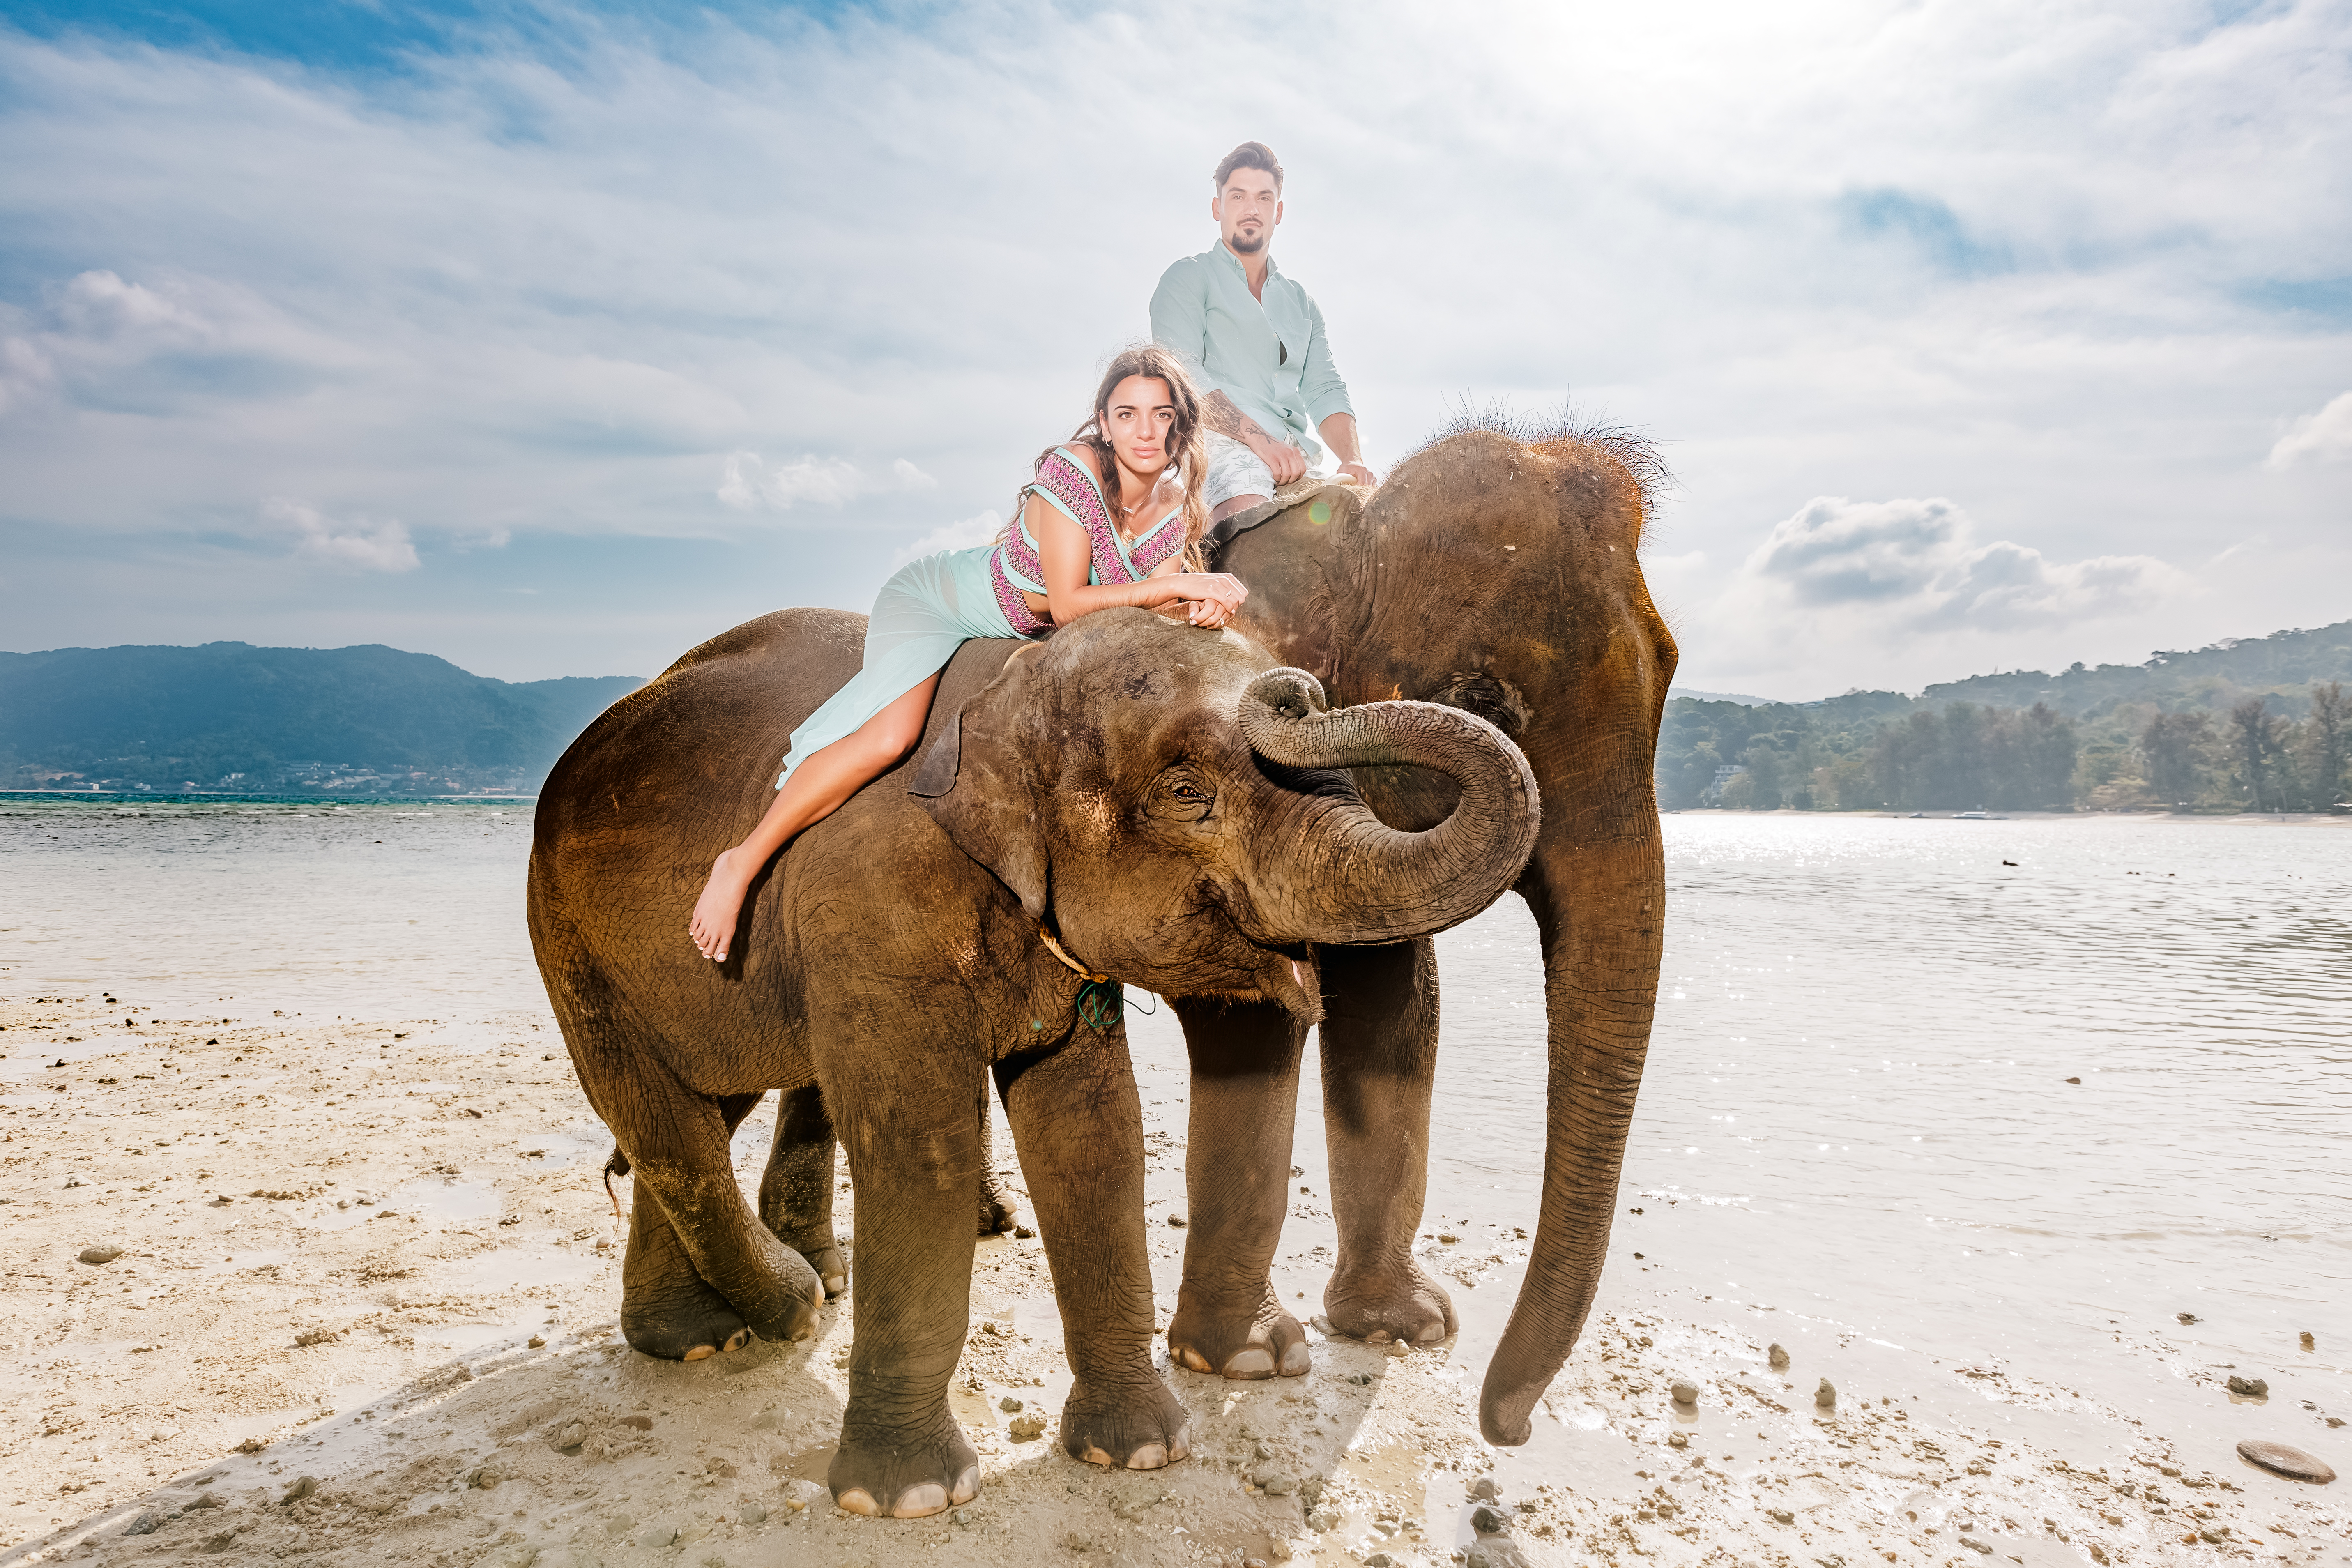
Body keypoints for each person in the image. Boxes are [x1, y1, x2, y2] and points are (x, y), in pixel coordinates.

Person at [687, 345, 1248, 962]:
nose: (1144, 431)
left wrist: (1197, 608)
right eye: (1126, 414)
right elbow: (1068, 604)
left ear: (1179, 424)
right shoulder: (1075, 469)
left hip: (1011, 629)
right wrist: (1184, 585)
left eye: (1160, 415)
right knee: (890, 738)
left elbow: (1142, 619)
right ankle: (740, 863)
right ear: (1104, 423)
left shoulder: (1173, 504)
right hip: (937, 602)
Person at [1148, 141, 1375, 548]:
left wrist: (1352, 458)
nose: (1251, 208)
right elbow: (1183, 378)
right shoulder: (1188, 278)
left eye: (1263, 198)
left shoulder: (1301, 302)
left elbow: (1324, 387)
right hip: (1221, 448)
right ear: (1217, 207)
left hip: (1294, 456)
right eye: (1238, 196)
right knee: (1255, 536)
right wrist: (1258, 440)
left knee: (1366, 538)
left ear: (1278, 212)